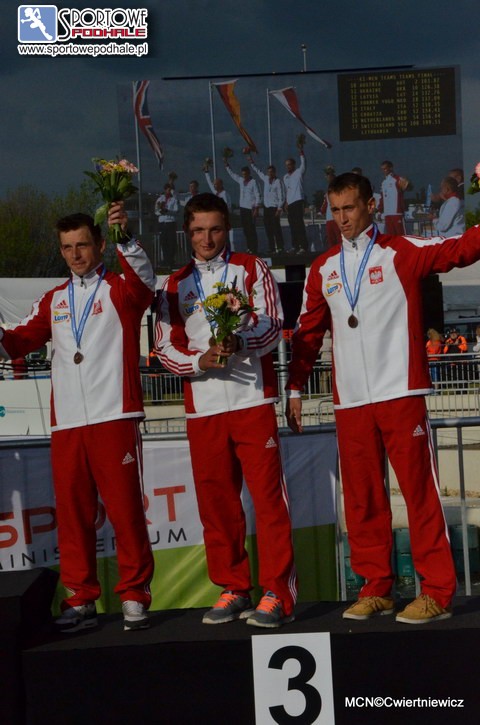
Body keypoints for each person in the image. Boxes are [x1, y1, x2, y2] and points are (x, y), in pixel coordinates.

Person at [286, 172, 480, 624]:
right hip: (351, 400)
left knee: (418, 494)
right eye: (335, 211)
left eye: (350, 208)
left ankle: (437, 592)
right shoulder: (323, 268)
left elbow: (461, 248)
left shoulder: (401, 251)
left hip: (400, 392)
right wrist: (294, 387)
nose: (342, 219)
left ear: (371, 206)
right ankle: (376, 587)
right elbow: (307, 333)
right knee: (362, 499)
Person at [0, 204, 155, 632]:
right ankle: (81, 599)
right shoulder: (54, 300)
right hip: (68, 423)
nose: (75, 254)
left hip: (114, 415)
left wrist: (126, 238)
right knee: (72, 516)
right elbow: (16, 341)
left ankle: (134, 594)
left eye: (82, 245)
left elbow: (145, 284)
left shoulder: (120, 290)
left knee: (125, 512)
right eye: (67, 247)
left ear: (99, 245)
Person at [155, 192, 297, 628]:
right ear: (187, 232)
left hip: (252, 400)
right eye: (198, 230)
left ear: (227, 229)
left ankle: (277, 592)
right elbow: (164, 348)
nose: (207, 239)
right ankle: (234, 587)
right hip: (204, 408)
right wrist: (200, 361)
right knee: (217, 505)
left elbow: (273, 324)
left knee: (268, 502)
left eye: (215, 229)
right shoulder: (174, 284)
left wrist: (240, 340)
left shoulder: (251, 268)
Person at [248, 156, 285, 254]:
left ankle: (280, 247)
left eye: (272, 172)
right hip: (267, 208)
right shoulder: (265, 179)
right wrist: (252, 162)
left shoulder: (278, 182)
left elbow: (282, 195)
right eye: (269, 172)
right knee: (268, 229)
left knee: (276, 228)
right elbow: (258, 171)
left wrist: (279, 208)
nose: (270, 174)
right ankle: (271, 248)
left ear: (275, 172)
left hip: (274, 208)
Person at [224, 161, 261, 253]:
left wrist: (256, 208)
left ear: (249, 173)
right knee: (246, 230)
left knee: (251, 229)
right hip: (243, 208)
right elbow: (233, 175)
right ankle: (249, 248)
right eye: (243, 174)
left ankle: (254, 249)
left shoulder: (253, 182)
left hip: (251, 209)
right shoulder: (241, 181)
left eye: (246, 174)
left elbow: (258, 195)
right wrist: (227, 166)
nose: (244, 176)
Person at [284, 152, 308, 253]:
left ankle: (303, 246)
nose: (288, 167)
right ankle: (295, 246)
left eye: (289, 164)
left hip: (298, 201)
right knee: (292, 225)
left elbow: (304, 163)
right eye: (286, 165)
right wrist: (286, 202)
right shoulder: (285, 177)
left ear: (293, 165)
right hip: (290, 203)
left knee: (299, 225)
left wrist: (301, 152)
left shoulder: (299, 172)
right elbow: (288, 190)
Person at [378, 160, 409, 235]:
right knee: (391, 236)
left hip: (397, 213)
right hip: (387, 214)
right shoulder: (383, 183)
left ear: (391, 168)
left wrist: (407, 184)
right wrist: (380, 211)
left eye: (385, 168)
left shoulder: (397, 179)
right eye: (382, 169)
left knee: (401, 236)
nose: (384, 171)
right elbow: (382, 198)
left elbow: (408, 187)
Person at [154, 182, 179, 268]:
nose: (169, 191)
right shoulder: (160, 199)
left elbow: (176, 211)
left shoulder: (174, 199)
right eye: (168, 189)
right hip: (162, 223)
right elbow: (156, 211)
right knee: (163, 242)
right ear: (165, 190)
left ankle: (171, 260)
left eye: (171, 190)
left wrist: (167, 211)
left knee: (171, 242)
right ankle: (165, 260)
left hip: (171, 222)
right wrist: (161, 211)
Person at [320, 166, 342, 249]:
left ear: (332, 174)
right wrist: (321, 211)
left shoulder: (339, 186)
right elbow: (326, 202)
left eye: (328, 174)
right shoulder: (329, 189)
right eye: (326, 174)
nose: (326, 177)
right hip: (329, 219)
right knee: (331, 240)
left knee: (339, 239)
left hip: (336, 217)